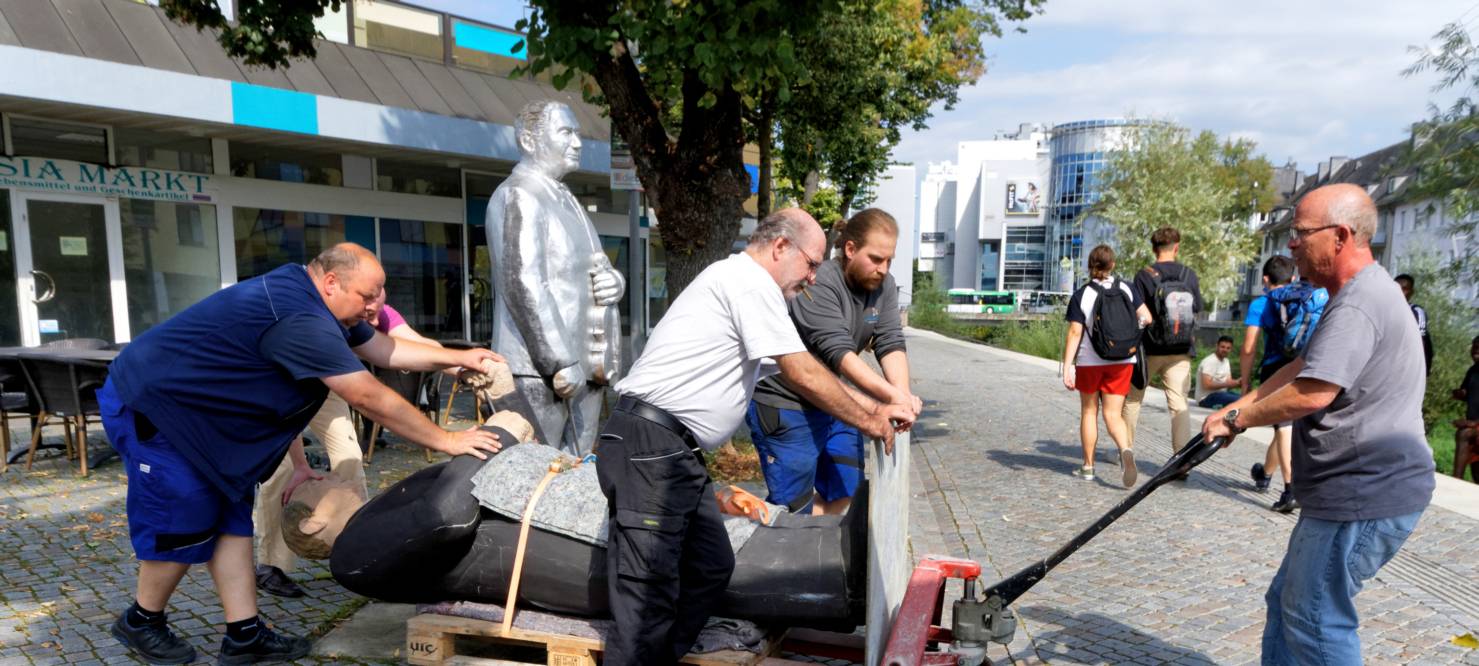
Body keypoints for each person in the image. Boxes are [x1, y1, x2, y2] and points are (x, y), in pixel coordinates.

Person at [98, 243, 504, 665]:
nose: (373, 307)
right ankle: (141, 620)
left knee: (232, 522)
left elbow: (384, 349)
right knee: (181, 522)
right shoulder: (300, 317)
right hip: (159, 410)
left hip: (211, 424)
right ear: (331, 282)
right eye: (367, 296)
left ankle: (244, 635)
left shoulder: (323, 302)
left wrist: (457, 358)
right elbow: (365, 395)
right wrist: (446, 440)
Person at [597, 208, 913, 665]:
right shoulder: (747, 282)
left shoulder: (756, 289)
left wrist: (878, 407)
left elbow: (811, 373)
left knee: (711, 567)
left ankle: (657, 659)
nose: (811, 278)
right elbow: (801, 371)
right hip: (651, 445)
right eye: (809, 264)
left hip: (675, 453)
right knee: (646, 594)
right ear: (780, 246)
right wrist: (870, 420)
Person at [1202, 184, 1434, 665]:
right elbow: (1305, 366)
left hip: (1363, 494)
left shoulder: (1358, 303)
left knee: (1316, 619)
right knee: (1290, 605)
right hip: (1351, 490)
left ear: (1340, 236)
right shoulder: (1357, 294)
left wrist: (1238, 418)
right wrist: (1235, 409)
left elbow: (1314, 392)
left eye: (1300, 233)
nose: (1290, 245)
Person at [252, 290, 449, 598]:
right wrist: (302, 465)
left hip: (329, 384)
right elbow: (284, 418)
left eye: (376, 312)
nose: (369, 320)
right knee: (281, 470)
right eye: (366, 311)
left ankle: (359, 547)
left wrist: (458, 363)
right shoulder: (313, 318)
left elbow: (415, 342)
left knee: (350, 457)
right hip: (285, 382)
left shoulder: (377, 311)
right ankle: (270, 565)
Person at [748, 208, 922, 515]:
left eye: (889, 260)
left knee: (845, 492)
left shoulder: (884, 286)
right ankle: (791, 546)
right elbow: (839, 353)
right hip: (788, 403)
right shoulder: (818, 283)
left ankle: (820, 553)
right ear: (851, 249)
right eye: (876, 259)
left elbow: (890, 340)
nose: (883, 269)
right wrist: (891, 397)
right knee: (794, 506)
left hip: (837, 399)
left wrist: (903, 395)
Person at [487, 99, 625, 456]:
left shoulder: (566, 200)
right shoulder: (520, 195)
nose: (577, 142)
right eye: (566, 132)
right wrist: (560, 360)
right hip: (540, 370)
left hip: (584, 366)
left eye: (577, 133)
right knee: (535, 475)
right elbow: (523, 284)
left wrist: (615, 282)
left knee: (576, 472)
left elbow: (591, 267)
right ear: (529, 141)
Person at [1241, 255, 1328, 512]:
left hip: (1275, 367)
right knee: (1284, 426)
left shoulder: (1262, 303)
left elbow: (1248, 347)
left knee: (1284, 427)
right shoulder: (1313, 298)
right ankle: (1265, 473)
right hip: (1307, 365)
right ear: (1291, 278)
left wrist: (1245, 382)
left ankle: (1291, 489)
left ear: (1266, 279)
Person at [1061, 245, 1152, 487]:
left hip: (1090, 362)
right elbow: (1147, 317)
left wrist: (1068, 366)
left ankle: (1088, 467)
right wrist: (1131, 334)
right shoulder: (1126, 288)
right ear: (1112, 265)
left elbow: (1074, 332)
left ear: (1090, 266)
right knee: (1113, 414)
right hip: (1122, 361)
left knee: (1089, 412)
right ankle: (1125, 450)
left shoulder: (1082, 295)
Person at [1123, 227, 1204, 458]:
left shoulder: (1144, 275)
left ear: (1153, 248)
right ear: (1176, 247)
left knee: (1133, 400)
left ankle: (1126, 449)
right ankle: (1181, 458)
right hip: (1181, 349)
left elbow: (1136, 312)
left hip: (1149, 348)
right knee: (1179, 404)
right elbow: (1196, 307)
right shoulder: (1189, 275)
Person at [1394, 273, 1434, 376]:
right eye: (1396, 287)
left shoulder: (1416, 311)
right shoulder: (1385, 310)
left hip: (1408, 369)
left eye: (1404, 289)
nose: (1400, 292)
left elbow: (1421, 340)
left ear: (1411, 292)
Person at [1452, 335, 1479, 481]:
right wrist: (1461, 394)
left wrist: (1473, 423)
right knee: (1477, 473)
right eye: (1474, 347)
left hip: (1476, 425)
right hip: (1474, 424)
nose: (1475, 351)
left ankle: (1456, 480)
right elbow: (1468, 393)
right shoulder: (1472, 371)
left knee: (1464, 434)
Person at [1195, 336, 1241, 409]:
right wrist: (1227, 384)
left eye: (1228, 348)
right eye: (1222, 347)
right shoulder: (1209, 361)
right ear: (1217, 346)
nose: (1225, 350)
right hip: (1206, 399)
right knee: (1239, 401)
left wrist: (1238, 382)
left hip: (1222, 395)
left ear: (1231, 349)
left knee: (1245, 398)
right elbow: (1206, 385)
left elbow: (1228, 381)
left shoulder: (1226, 361)